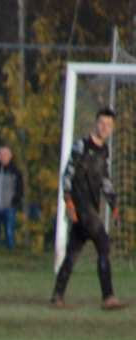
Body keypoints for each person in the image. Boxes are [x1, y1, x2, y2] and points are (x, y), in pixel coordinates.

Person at [51, 107, 125, 310]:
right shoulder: (81, 145)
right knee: (103, 243)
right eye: (102, 123)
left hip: (91, 206)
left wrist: (113, 204)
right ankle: (108, 297)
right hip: (81, 205)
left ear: (113, 127)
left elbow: (105, 179)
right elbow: (67, 174)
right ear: (96, 123)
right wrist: (69, 202)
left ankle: (57, 295)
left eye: (109, 125)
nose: (105, 128)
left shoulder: (104, 151)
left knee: (73, 252)